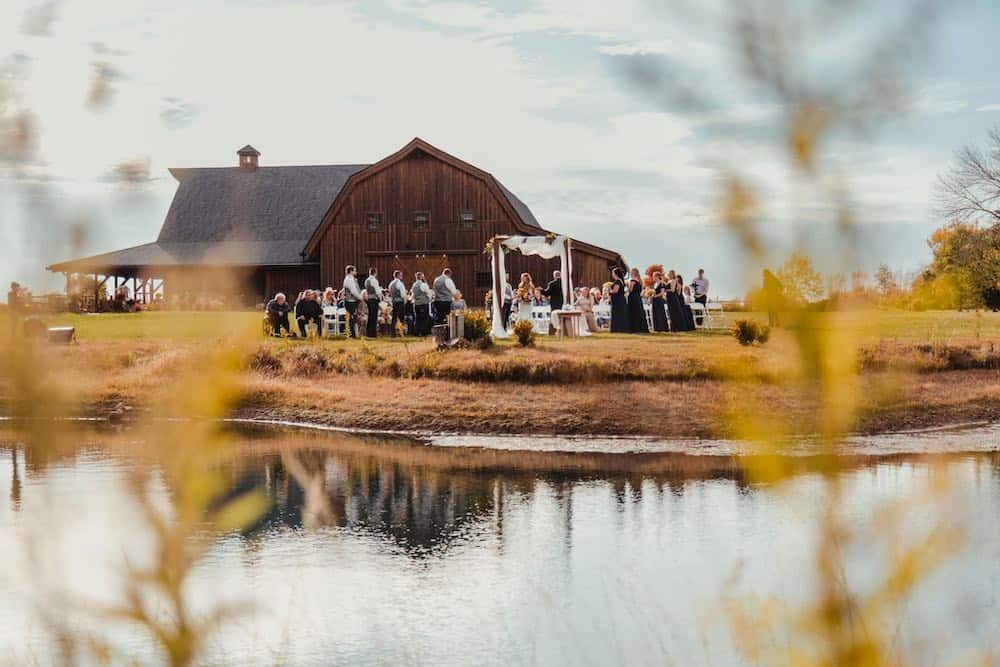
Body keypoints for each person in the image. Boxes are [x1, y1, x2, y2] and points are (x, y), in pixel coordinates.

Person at [342, 265, 363, 338]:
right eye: (354, 270)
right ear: (351, 271)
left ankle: (352, 334)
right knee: (352, 318)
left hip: (351, 301)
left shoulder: (351, 279)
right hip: (350, 301)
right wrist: (360, 298)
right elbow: (353, 291)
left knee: (353, 318)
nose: (356, 272)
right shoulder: (349, 279)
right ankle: (351, 334)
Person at [627, 267, 649, 334]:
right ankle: (641, 328)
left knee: (633, 312)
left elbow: (630, 290)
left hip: (632, 298)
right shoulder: (640, 281)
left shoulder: (633, 281)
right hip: (638, 298)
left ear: (633, 273)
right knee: (639, 313)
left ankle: (634, 328)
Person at [387, 270, 408, 336]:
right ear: (398, 275)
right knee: (401, 318)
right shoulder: (400, 283)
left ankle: (393, 333)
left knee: (394, 318)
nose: (402, 277)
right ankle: (401, 332)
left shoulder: (391, 284)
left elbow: (390, 293)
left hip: (394, 301)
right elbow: (403, 294)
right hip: (400, 302)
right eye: (401, 275)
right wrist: (405, 300)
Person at [411, 272, 432, 336]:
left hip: (416, 304)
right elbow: (428, 293)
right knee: (424, 318)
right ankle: (424, 332)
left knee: (417, 318)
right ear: (421, 277)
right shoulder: (423, 285)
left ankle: (417, 331)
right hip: (423, 303)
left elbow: (413, 294)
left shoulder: (414, 285)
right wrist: (429, 299)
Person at [609, 268, 629, 333]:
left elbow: (616, 291)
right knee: (620, 314)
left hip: (617, 301)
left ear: (615, 274)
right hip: (620, 299)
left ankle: (617, 329)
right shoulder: (621, 281)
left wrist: (609, 291)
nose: (612, 274)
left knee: (617, 314)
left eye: (613, 273)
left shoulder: (617, 281)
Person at [363, 267, 382, 338]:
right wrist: (380, 298)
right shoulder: (374, 280)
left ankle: (368, 332)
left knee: (370, 316)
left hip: (369, 299)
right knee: (374, 317)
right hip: (374, 299)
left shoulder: (366, 280)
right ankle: (373, 333)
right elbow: (377, 291)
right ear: (375, 273)